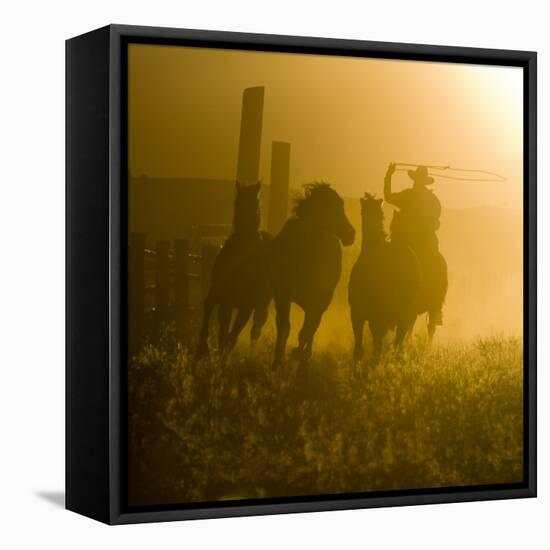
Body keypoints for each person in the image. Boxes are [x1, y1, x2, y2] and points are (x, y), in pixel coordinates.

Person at [384, 163, 441, 256]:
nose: (416, 182)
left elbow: (388, 197)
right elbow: (437, 214)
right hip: (424, 239)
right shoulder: (432, 198)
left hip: (406, 237)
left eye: (418, 180)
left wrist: (389, 175)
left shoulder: (408, 195)